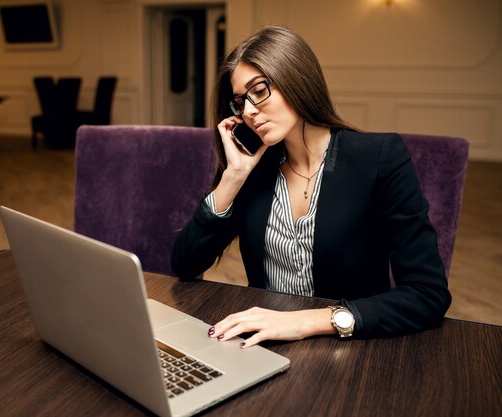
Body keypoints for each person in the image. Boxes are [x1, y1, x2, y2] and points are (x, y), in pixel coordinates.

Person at [170, 25, 451, 347]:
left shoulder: (379, 157)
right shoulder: (253, 170)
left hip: (352, 348)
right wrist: (233, 176)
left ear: (297, 79)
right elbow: (186, 264)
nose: (248, 111)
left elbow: (427, 294)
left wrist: (311, 320)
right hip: (264, 348)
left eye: (259, 91)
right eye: (239, 101)